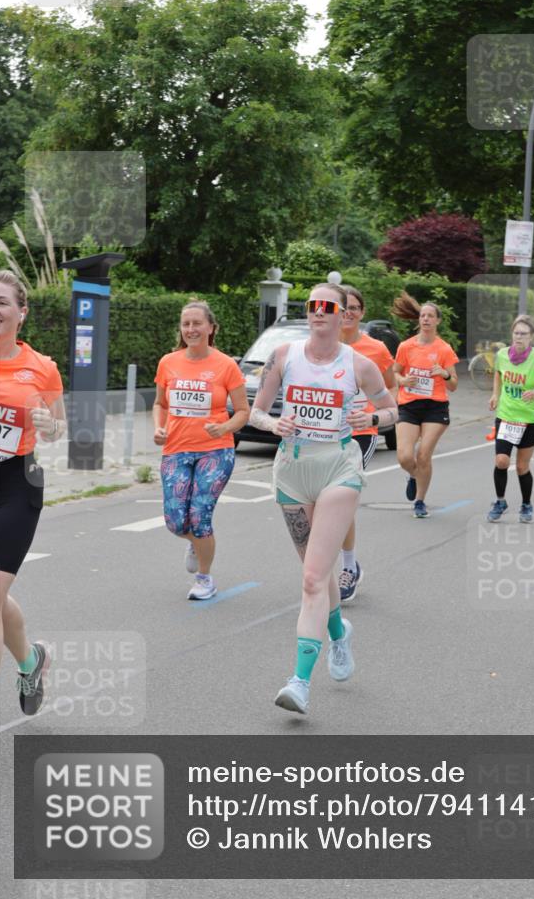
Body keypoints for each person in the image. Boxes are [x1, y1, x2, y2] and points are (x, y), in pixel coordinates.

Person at [250, 283, 397, 715]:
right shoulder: (283, 356)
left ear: (342, 315)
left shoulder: (360, 365)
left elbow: (394, 410)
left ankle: (299, 682)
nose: (318, 312)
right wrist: (273, 424)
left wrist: (370, 416)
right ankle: (339, 632)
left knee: (313, 579)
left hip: (338, 468)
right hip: (292, 471)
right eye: (312, 305)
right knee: (319, 572)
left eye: (327, 306)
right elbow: (254, 410)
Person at [0, 269, 66, 715]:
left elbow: (60, 429)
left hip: (17, 485)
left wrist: (48, 424)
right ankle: (31, 660)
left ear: (21, 312)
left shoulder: (41, 368)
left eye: (2, 301)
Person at [153, 300, 249, 600]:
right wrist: (159, 427)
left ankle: (204, 578)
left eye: (197, 323)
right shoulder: (168, 362)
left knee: (200, 515)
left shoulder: (226, 365)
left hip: (215, 451)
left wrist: (224, 428)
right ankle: (195, 541)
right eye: (186, 324)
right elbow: (160, 403)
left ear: (211, 327)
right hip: (176, 449)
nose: (191, 329)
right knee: (174, 520)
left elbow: (243, 411)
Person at [337, 285, 396, 603]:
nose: (347, 312)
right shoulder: (319, 347)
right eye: (342, 306)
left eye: (354, 307)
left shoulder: (375, 349)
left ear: (362, 312)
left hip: (360, 433)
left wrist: (377, 418)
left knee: (343, 497)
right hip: (323, 434)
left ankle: (347, 567)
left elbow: (391, 389)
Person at [391, 292, 458, 518]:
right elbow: (395, 373)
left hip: (435, 408)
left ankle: (419, 501)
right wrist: (402, 380)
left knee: (423, 455)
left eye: (430, 316)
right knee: (404, 457)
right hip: (409, 405)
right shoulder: (406, 347)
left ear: (438, 321)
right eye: (422, 316)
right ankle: (413, 475)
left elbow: (454, 385)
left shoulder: (444, 349)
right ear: (418, 320)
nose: (426, 319)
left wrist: (445, 375)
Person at [487, 314, 534, 524]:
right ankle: (500, 501)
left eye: (524, 334)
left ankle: (526, 504)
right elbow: (498, 373)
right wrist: (495, 394)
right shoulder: (503, 355)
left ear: (531, 337)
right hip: (507, 416)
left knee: (522, 466)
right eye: (516, 333)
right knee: (501, 461)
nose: (519, 337)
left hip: (530, 419)